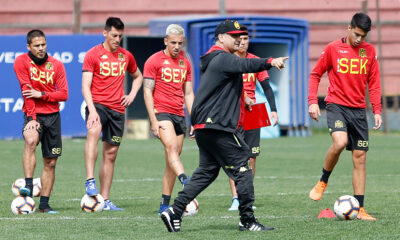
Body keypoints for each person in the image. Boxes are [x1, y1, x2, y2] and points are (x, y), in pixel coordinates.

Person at [160, 19, 288, 232]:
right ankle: (247, 220)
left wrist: (243, 99)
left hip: (207, 126)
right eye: (234, 36)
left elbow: (222, 90)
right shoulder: (222, 58)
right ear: (221, 38)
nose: (238, 40)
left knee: (207, 172)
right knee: (244, 169)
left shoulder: (217, 59)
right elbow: (245, 64)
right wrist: (270, 61)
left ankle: (174, 211)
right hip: (218, 126)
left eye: (241, 36)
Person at [308, 12, 382, 221]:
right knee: (340, 142)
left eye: (363, 36)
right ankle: (323, 180)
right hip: (336, 105)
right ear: (349, 28)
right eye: (357, 34)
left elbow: (374, 83)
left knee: (360, 158)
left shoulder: (369, 52)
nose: (359, 39)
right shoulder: (333, 48)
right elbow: (315, 75)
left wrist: (377, 110)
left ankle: (360, 209)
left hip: (358, 110)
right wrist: (313, 102)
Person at [82, 17, 143, 211]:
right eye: (114, 35)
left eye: (120, 36)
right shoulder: (93, 54)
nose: (117, 39)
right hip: (98, 105)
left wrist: (132, 94)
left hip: (117, 109)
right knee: (93, 130)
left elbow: (138, 76)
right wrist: (91, 111)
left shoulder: (126, 56)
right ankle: (89, 180)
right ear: (105, 33)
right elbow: (85, 85)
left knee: (111, 154)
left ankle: (105, 199)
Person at [14, 29, 69, 213]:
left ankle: (44, 205)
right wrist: (31, 118)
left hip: (53, 116)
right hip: (33, 113)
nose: (41, 48)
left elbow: (64, 94)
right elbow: (26, 91)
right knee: (30, 140)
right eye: (37, 45)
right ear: (28, 46)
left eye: (43, 44)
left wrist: (43, 94)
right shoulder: (21, 61)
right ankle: (28, 185)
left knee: (51, 162)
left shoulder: (57, 65)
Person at [143, 24, 195, 215]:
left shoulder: (185, 62)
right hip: (161, 112)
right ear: (165, 40)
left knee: (171, 159)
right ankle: (186, 183)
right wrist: (153, 120)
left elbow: (188, 93)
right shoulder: (154, 61)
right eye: (173, 42)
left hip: (179, 114)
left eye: (180, 43)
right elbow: (147, 91)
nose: (176, 46)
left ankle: (165, 204)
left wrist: (195, 120)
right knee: (171, 149)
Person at [228, 25, 279, 211]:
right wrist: (242, 97)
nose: (242, 42)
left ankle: (246, 196)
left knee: (252, 156)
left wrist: (273, 109)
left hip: (253, 112)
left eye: (246, 39)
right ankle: (235, 198)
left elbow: (266, 86)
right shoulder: (228, 61)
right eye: (239, 39)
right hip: (232, 111)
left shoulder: (255, 61)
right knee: (234, 156)